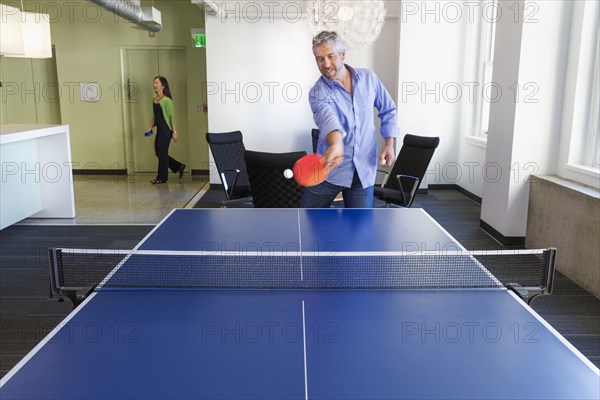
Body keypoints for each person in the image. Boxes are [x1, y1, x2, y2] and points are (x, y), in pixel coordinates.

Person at [301, 31, 398, 208]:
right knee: (306, 222)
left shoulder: (369, 78)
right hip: (329, 170)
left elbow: (388, 109)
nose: (326, 64)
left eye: (331, 56)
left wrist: (389, 143)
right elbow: (328, 121)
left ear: (342, 54)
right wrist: (336, 143)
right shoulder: (317, 92)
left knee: (359, 231)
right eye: (320, 59)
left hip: (364, 171)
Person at [146, 76, 185, 184]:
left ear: (163, 86)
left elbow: (172, 118)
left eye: (156, 83)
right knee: (159, 153)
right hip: (159, 130)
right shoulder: (154, 99)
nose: (154, 85)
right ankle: (178, 166)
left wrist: (175, 132)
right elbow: (155, 116)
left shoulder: (167, 101)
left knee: (162, 153)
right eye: (154, 83)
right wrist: (150, 127)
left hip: (166, 130)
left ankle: (161, 177)